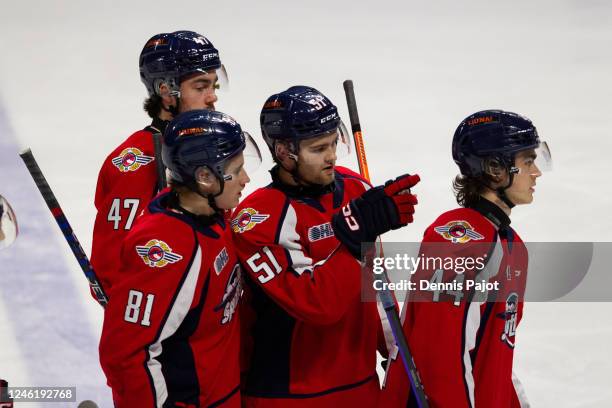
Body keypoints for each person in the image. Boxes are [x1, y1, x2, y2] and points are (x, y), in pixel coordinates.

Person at [232, 85, 421, 407]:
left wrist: (397, 353)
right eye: (319, 148)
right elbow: (317, 305)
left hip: (362, 386)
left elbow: (374, 285)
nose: (332, 155)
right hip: (287, 396)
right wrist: (353, 241)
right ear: (283, 152)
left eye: (334, 143)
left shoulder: (355, 188)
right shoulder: (257, 217)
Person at [380, 110, 552, 407]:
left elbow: (496, 351)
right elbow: (443, 360)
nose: (536, 172)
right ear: (496, 169)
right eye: (527, 161)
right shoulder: (459, 243)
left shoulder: (511, 245)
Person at [99, 109, 261, 407]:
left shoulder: (215, 216)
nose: (246, 179)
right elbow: (125, 356)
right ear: (204, 178)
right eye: (236, 171)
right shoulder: (167, 250)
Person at [91, 30, 227, 292]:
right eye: (200, 87)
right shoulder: (135, 164)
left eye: (214, 85)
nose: (212, 97)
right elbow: (112, 268)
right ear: (166, 91)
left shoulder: (208, 143)